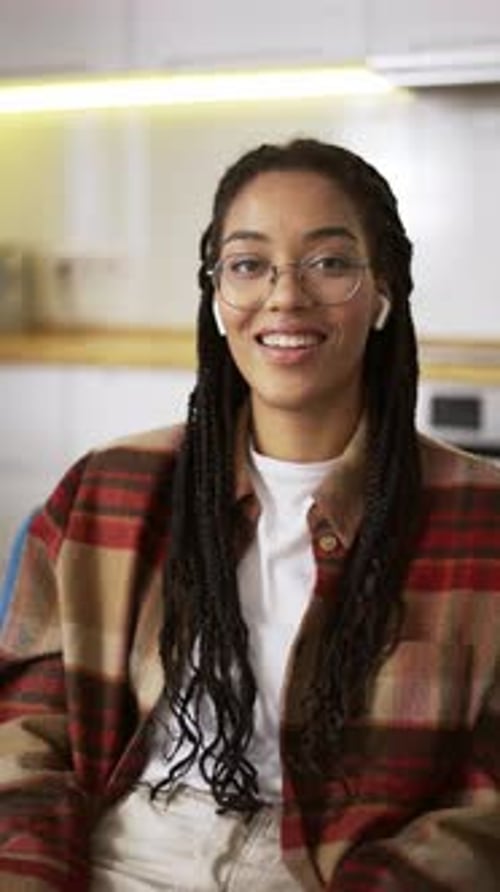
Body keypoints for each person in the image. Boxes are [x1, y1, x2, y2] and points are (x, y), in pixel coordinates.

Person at [0, 137, 499, 892]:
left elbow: (485, 806)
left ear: (384, 291)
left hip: (336, 865)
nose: (285, 296)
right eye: (248, 264)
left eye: (329, 262)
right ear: (216, 294)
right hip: (119, 836)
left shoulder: (481, 519)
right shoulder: (108, 489)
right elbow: (26, 739)